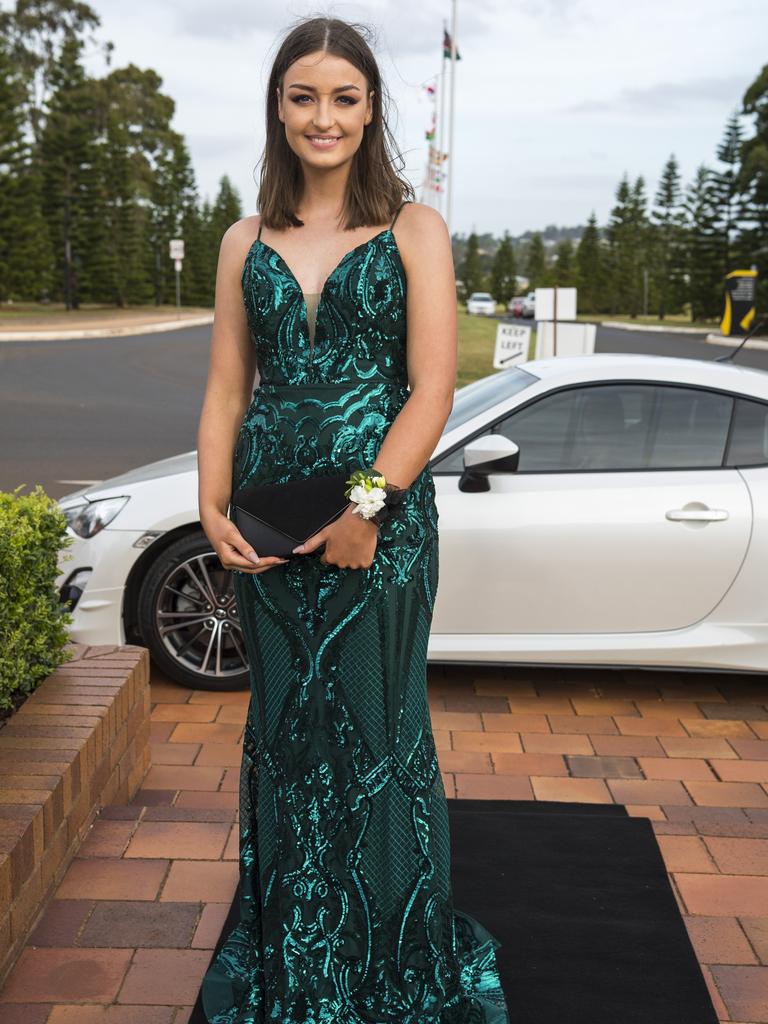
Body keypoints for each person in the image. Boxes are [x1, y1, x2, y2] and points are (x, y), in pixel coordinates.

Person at [196, 14, 510, 1024]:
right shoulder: (244, 240)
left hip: (383, 527)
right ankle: (300, 950)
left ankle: (386, 957)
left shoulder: (415, 229)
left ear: (371, 109)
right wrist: (207, 503)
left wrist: (369, 507)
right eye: (302, 96)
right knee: (289, 736)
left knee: (375, 733)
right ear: (278, 109)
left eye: (342, 97)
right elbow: (226, 389)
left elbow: (433, 391)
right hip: (271, 532)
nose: (321, 117)